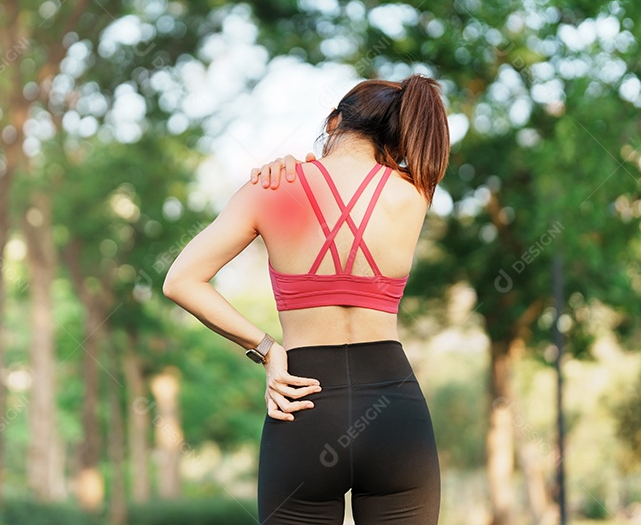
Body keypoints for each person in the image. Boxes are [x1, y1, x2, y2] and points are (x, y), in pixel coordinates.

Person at [162, 73, 451, 524]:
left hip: (303, 406)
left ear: (334, 121)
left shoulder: (270, 187)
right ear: (395, 139)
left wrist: (267, 350)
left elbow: (181, 280)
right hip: (395, 414)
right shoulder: (416, 191)